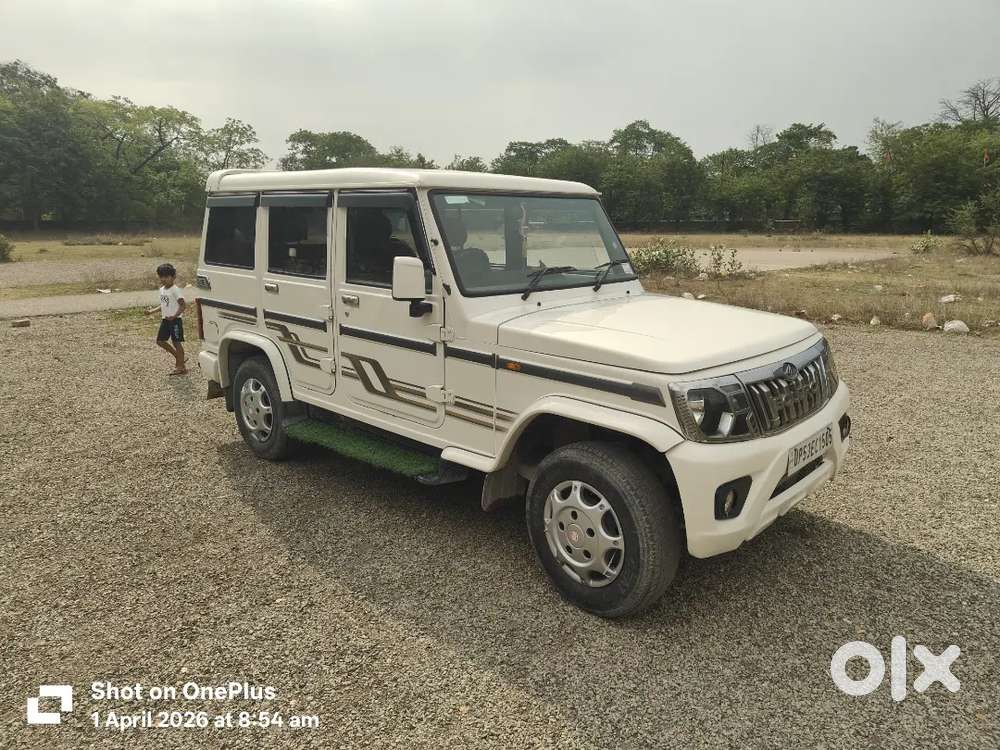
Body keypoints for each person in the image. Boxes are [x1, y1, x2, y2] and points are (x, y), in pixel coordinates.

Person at [145, 263, 187, 375]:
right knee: (160, 341)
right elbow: (163, 305)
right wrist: (151, 311)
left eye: (166, 276)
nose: (163, 279)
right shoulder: (162, 290)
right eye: (161, 276)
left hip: (175, 321)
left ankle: (181, 367)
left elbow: (183, 305)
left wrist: (175, 316)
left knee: (176, 342)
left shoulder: (175, 290)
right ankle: (179, 357)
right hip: (165, 320)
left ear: (173, 277)